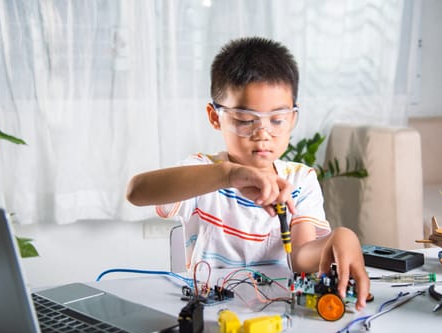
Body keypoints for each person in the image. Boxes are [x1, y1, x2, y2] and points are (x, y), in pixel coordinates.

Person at [126, 37, 369, 310]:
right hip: (212, 313)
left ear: (293, 118)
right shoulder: (205, 174)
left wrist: (338, 238)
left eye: (277, 120)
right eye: (245, 121)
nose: (263, 134)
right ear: (215, 117)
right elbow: (136, 191)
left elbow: (300, 256)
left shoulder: (301, 180)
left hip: (279, 314)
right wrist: (228, 176)